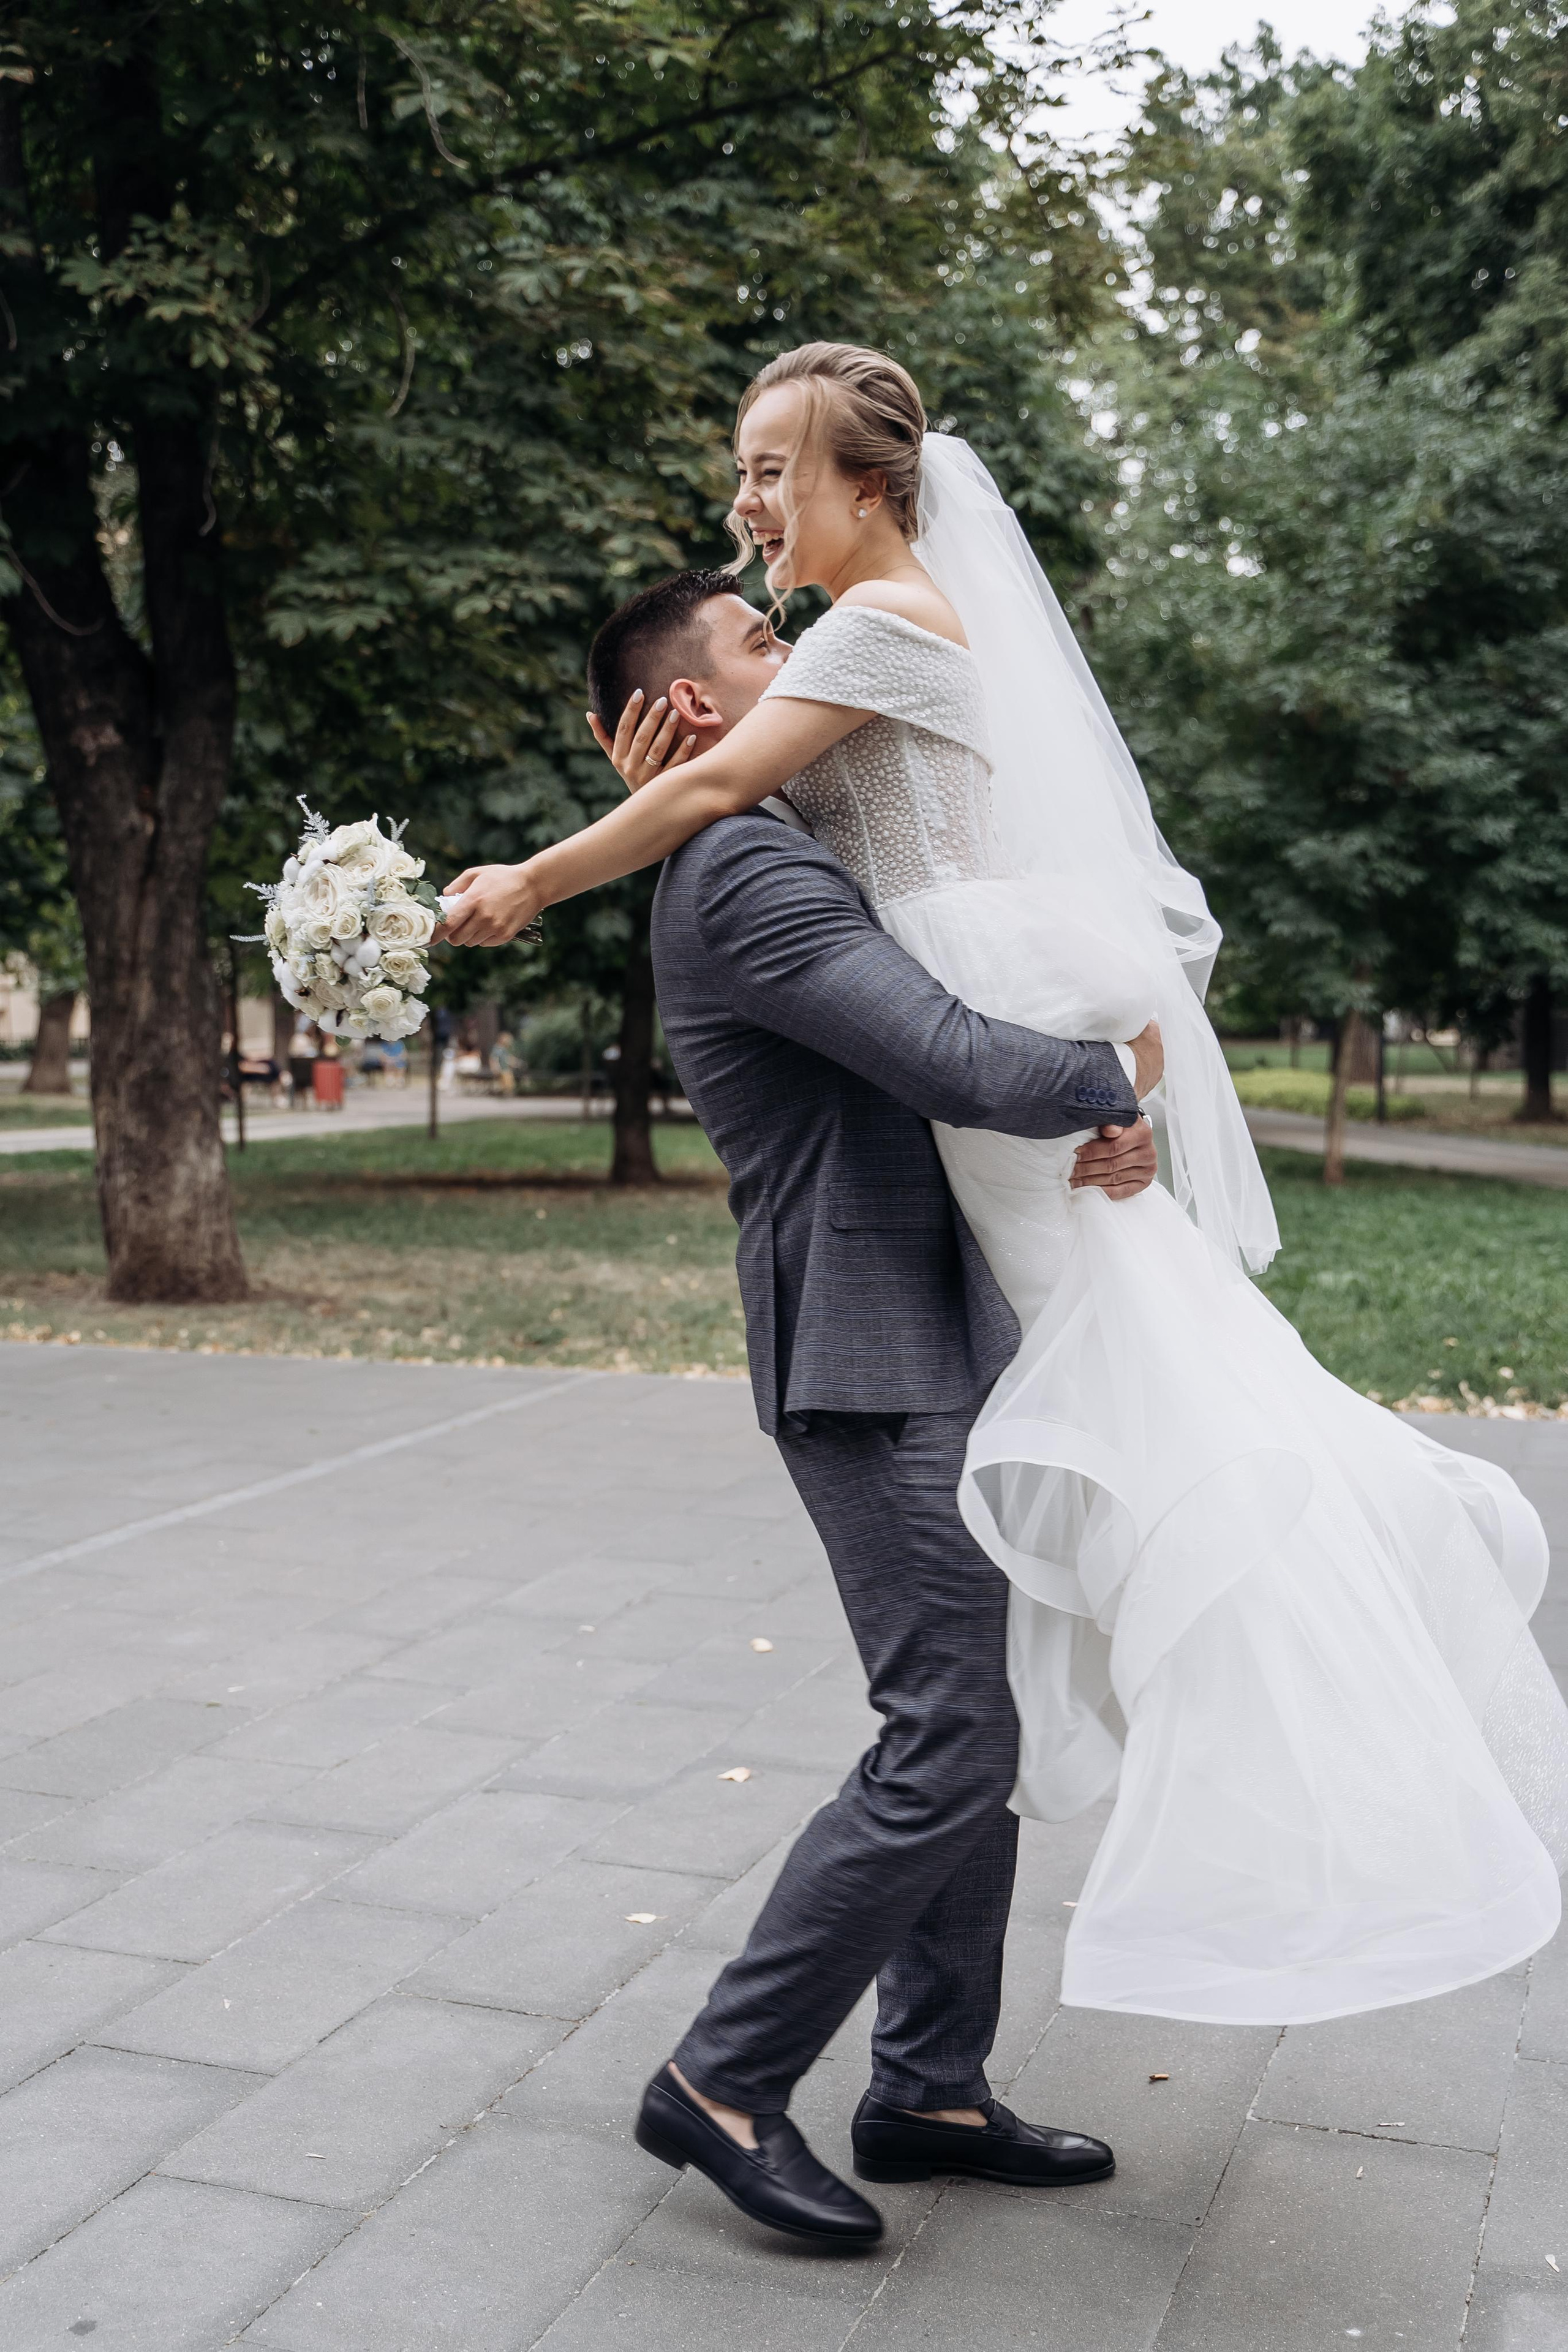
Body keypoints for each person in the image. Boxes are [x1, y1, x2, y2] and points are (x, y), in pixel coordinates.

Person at [443, 344, 1568, 2225]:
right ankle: (724, 2082)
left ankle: (930, 2089)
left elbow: (898, 913)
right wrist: (1110, 1086)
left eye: (767, 533)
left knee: (983, 1707)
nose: (770, 627)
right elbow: (959, 1055)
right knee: (958, 1719)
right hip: (872, 1344)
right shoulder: (745, 875)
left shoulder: (804, 786)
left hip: (955, 1303)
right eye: (742, 640)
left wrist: (1102, 1110)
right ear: (682, 708)